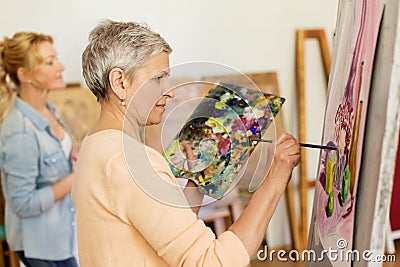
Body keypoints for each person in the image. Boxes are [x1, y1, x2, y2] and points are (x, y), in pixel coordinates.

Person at [72, 20, 300, 267]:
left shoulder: (94, 146)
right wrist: (276, 177)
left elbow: (166, 237)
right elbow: (212, 262)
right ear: (120, 82)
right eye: (158, 78)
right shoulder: (132, 162)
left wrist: (196, 181)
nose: (169, 91)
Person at [0, 32, 78, 267]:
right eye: (50, 62)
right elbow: (23, 204)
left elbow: (50, 155)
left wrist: (73, 151)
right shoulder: (19, 132)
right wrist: (76, 178)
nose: (61, 66)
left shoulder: (48, 109)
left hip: (62, 235)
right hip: (42, 246)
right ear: (24, 75)